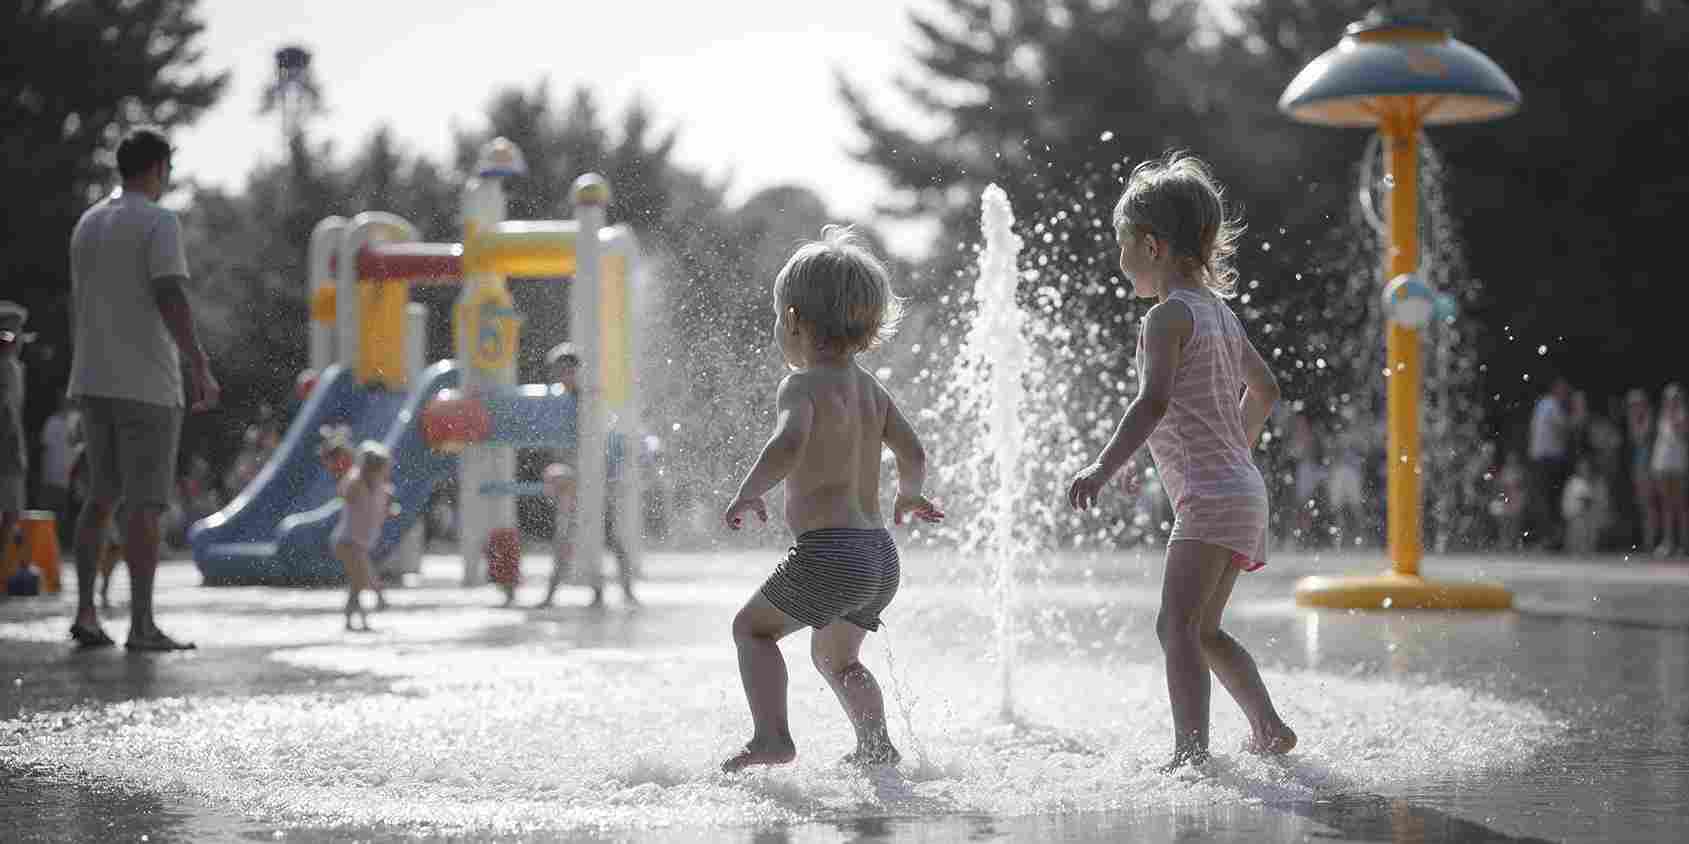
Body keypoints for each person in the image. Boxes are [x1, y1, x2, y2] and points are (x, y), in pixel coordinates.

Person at [1066, 151, 1295, 771]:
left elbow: (1153, 402)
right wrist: (1236, 450)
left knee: (1175, 628)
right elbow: (1267, 389)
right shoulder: (1219, 314)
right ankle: (1268, 728)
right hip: (1243, 490)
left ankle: (1191, 753)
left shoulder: (1165, 318)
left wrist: (1101, 467)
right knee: (1204, 630)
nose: (1120, 263)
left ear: (1151, 244)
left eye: (1123, 248)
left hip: (1211, 497)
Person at [719, 226, 943, 774]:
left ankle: (772, 737)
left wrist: (749, 492)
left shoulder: (802, 386)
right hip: (879, 557)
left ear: (793, 320)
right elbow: (913, 452)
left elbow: (788, 443)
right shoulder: (872, 389)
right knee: (837, 659)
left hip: (830, 555)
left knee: (752, 629)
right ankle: (875, 745)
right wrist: (908, 496)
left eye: (777, 318)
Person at [65, 127, 219, 650]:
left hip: (92, 378)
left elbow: (79, 304)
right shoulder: (158, 221)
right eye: (168, 168)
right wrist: (197, 361)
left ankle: (87, 613)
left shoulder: (88, 223)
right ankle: (142, 625)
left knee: (100, 496)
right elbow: (170, 294)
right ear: (156, 168)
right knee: (145, 505)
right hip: (147, 382)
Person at [535, 341, 640, 609]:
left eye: (566, 370)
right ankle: (553, 594)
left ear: (576, 371)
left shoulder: (589, 400)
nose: (562, 377)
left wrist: (607, 476)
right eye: (558, 371)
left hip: (594, 480)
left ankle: (623, 591)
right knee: (566, 537)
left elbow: (605, 442)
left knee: (608, 536)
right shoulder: (558, 401)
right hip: (573, 481)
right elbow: (561, 446)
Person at [331, 441, 393, 631]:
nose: (385, 472)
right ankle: (377, 601)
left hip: (359, 542)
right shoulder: (356, 482)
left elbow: (377, 511)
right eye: (381, 468)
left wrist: (388, 509)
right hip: (347, 541)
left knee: (357, 583)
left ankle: (352, 619)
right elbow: (345, 493)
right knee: (363, 578)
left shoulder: (380, 488)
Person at [1526, 377, 1577, 550]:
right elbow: (1565, 426)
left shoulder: (1544, 404)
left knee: (1548, 500)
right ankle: (1551, 538)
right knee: (1549, 500)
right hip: (1549, 460)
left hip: (1546, 459)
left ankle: (1551, 538)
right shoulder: (1552, 405)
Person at [0, 301, 31, 559]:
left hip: (11, 449)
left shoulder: (16, 369)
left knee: (12, 513)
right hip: (6, 450)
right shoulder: (6, 367)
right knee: (11, 512)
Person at [38, 395, 80, 545]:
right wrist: (44, 474)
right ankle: (44, 544)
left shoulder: (76, 421)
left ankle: (57, 545)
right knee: (48, 513)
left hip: (71, 478)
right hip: (52, 475)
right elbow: (45, 449)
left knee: (64, 515)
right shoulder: (52, 422)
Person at [1652, 383, 1688, 557]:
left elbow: (1680, 433)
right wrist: (1656, 465)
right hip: (1663, 466)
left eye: (1674, 397)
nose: (1670, 401)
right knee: (1666, 506)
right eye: (1668, 398)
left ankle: (1683, 543)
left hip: (1678, 466)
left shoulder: (1682, 415)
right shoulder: (1662, 417)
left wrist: (1673, 413)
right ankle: (1668, 543)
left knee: (1680, 506)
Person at [1625, 389, 1659, 553]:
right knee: (1643, 505)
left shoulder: (1648, 420)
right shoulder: (1638, 420)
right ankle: (1648, 540)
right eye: (1631, 406)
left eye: (1635, 405)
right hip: (1639, 466)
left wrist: (1634, 420)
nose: (1632, 409)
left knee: (1650, 505)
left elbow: (1640, 436)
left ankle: (1652, 541)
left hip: (1650, 467)